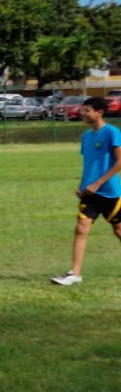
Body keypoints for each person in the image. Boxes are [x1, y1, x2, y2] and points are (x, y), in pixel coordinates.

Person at [50, 97, 121, 286]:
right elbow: (88, 164)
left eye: (87, 110)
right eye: (83, 110)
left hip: (110, 192)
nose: (83, 113)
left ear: (99, 112)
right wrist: (82, 185)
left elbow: (120, 162)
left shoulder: (112, 132)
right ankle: (75, 274)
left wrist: (98, 183)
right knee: (81, 229)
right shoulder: (86, 136)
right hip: (90, 193)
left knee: (118, 230)